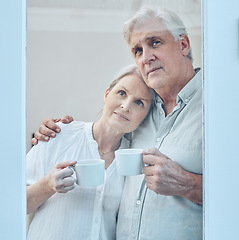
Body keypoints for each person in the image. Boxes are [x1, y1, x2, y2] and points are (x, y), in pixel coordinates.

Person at [33, 6, 203, 240]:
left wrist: (188, 184)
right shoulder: (144, 114)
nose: (146, 57)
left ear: (183, 45)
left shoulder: (218, 108)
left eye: (155, 43)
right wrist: (55, 132)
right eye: (137, 50)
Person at [26, 64, 155, 240]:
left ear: (145, 116)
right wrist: (48, 185)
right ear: (107, 95)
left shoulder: (135, 162)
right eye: (122, 93)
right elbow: (10, 205)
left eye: (139, 102)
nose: (126, 106)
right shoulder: (59, 134)